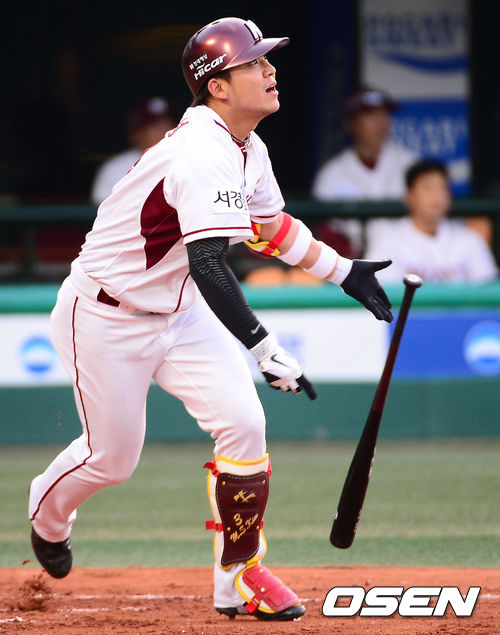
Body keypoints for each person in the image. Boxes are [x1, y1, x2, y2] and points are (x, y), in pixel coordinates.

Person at [28, 18, 393, 623]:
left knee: (244, 423)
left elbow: (270, 227)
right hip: (106, 314)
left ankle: (238, 576)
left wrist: (342, 269)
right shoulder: (200, 152)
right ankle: (47, 513)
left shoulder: (248, 145)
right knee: (112, 459)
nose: (270, 70)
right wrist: (263, 345)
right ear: (217, 87)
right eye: (254, 63)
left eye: (267, 60)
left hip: (181, 310)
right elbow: (208, 262)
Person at [311, 85, 419, 257]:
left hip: (411, 260)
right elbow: (330, 239)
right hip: (358, 264)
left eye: (384, 114)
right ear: (351, 124)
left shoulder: (411, 165)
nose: (380, 122)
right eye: (370, 115)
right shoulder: (331, 176)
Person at [365, 159, 498, 283]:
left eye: (442, 188)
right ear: (409, 196)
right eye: (428, 188)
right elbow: (375, 292)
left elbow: (487, 292)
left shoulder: (470, 241)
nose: (436, 196)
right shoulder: (388, 242)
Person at [90, 97, 179, 205]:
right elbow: (102, 210)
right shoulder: (114, 169)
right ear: (136, 133)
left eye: (168, 124)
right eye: (155, 127)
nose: (164, 130)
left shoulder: (188, 160)